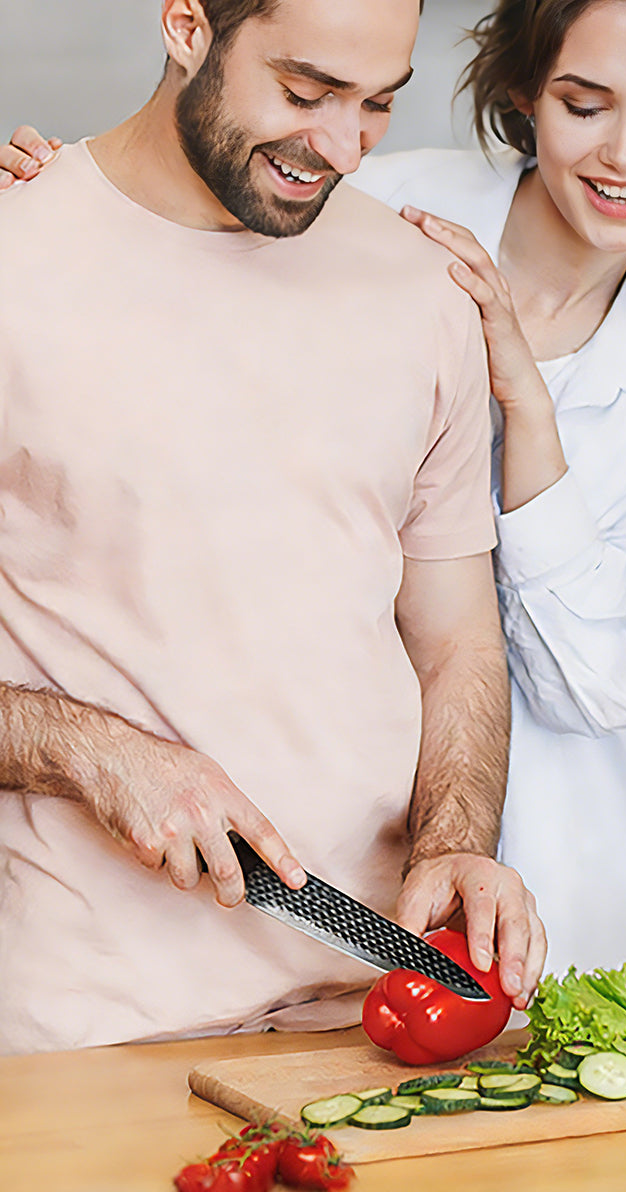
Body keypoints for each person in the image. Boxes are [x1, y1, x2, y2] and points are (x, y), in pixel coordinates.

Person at [3, 0, 626, 978]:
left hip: (533, 896)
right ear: (527, 91)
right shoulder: (373, 201)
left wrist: (528, 411)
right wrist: (59, 202)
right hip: (205, 933)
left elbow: (576, 671)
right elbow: (194, 197)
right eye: (586, 104)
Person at [0, 0, 545, 1056]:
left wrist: (456, 841)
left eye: (377, 102)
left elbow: (457, 640)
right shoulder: (15, 258)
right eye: (304, 92)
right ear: (187, 25)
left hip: (382, 1006)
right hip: (94, 1027)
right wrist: (94, 752)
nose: (341, 146)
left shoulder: (419, 284)